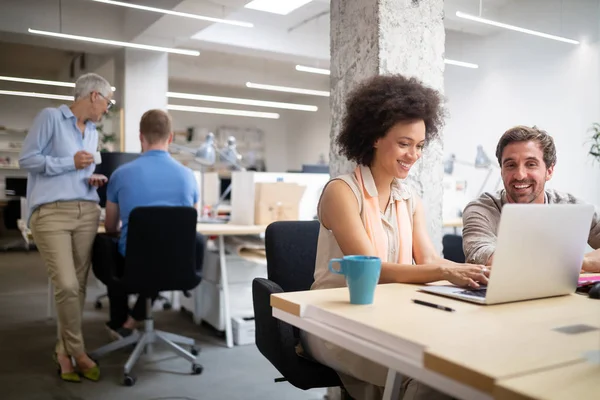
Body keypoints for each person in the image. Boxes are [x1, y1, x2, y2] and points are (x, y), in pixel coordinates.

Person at [299, 74, 489, 400]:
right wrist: (447, 271)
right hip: (335, 322)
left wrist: (477, 273)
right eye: (404, 144)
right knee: (429, 374)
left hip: (389, 314)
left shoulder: (410, 199)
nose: (413, 155)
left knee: (459, 359)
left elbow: (429, 260)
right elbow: (374, 269)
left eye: (419, 146)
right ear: (374, 137)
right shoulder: (341, 192)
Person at [19, 73, 112, 382]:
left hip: (86, 210)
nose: (107, 109)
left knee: (77, 288)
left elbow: (81, 168)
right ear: (94, 96)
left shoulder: (93, 132)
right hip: (51, 213)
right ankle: (79, 352)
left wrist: (91, 178)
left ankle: (63, 352)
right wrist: (68, 164)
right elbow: (27, 159)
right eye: (108, 101)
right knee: (68, 286)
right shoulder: (51, 118)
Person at [93, 109, 201, 339]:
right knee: (161, 252)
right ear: (170, 138)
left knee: (108, 245)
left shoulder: (121, 174)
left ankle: (120, 321)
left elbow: (111, 226)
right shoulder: (188, 176)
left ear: (140, 137)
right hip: (178, 263)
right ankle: (132, 320)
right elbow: (191, 223)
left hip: (134, 262)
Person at [462, 125, 600, 271]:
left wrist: (581, 261)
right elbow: (484, 258)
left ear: (549, 171)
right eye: (510, 165)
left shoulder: (574, 208)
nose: (520, 175)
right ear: (501, 171)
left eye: (531, 164)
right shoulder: (481, 210)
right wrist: (579, 261)